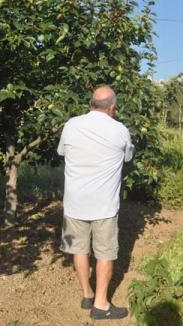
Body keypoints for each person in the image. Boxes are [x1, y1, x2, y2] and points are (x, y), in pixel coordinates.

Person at [57, 86, 134, 320]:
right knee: (104, 253)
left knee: (79, 249)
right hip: (104, 206)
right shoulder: (120, 130)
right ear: (112, 107)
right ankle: (101, 305)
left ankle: (88, 293)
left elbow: (62, 152)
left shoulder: (71, 125)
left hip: (75, 202)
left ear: (91, 103)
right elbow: (128, 156)